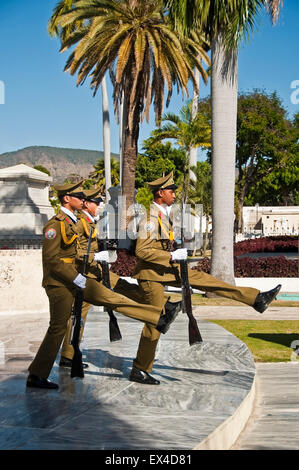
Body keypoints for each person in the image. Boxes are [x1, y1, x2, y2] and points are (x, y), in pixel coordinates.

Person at [129, 171, 281, 385]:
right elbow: (142, 251)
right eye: (171, 191)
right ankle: (139, 369)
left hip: (163, 269)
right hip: (150, 276)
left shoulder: (163, 215)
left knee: (202, 279)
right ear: (160, 193)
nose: (174, 194)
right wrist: (171, 255)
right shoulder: (150, 218)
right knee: (155, 321)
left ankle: (255, 299)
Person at [27, 182, 181, 390]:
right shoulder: (55, 225)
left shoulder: (73, 222)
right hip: (60, 283)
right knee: (58, 327)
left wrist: (88, 263)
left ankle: (158, 316)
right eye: (78, 196)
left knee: (112, 298)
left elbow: (76, 253)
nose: (83, 199)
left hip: (77, 279)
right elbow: (53, 261)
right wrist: (77, 275)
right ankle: (37, 374)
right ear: (66, 199)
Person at [59, 187, 166, 368]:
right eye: (97, 202)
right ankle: (68, 356)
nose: (100, 205)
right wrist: (94, 257)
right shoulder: (80, 223)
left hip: (97, 271)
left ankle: (160, 304)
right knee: (79, 314)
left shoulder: (92, 222)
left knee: (120, 286)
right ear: (87, 204)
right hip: (86, 273)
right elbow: (74, 250)